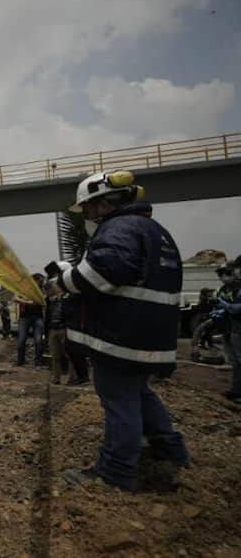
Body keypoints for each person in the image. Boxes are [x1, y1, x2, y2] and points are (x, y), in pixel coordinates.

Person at [57, 170, 188, 490]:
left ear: (102, 204)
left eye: (87, 209)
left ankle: (115, 472)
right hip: (147, 335)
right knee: (138, 393)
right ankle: (170, 450)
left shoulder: (118, 229)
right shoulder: (154, 231)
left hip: (122, 337)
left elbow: (99, 276)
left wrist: (63, 278)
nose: (86, 216)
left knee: (119, 399)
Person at [214, 260, 241, 400]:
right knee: (235, 361)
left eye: (227, 273)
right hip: (229, 329)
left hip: (239, 328)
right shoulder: (223, 289)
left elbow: (237, 309)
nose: (224, 276)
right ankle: (236, 390)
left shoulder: (239, 287)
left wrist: (224, 305)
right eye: (220, 274)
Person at [15, 274, 46, 367]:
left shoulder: (42, 289)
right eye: (40, 281)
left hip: (37, 317)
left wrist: (24, 301)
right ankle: (20, 362)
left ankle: (38, 362)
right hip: (24, 317)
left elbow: (41, 301)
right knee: (21, 340)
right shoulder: (23, 288)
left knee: (38, 340)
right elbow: (15, 298)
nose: (41, 283)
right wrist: (28, 302)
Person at [44, 277, 68, 384]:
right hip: (53, 329)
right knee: (55, 356)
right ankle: (56, 378)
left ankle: (72, 377)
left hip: (65, 328)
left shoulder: (67, 298)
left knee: (69, 355)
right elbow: (47, 316)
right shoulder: (49, 301)